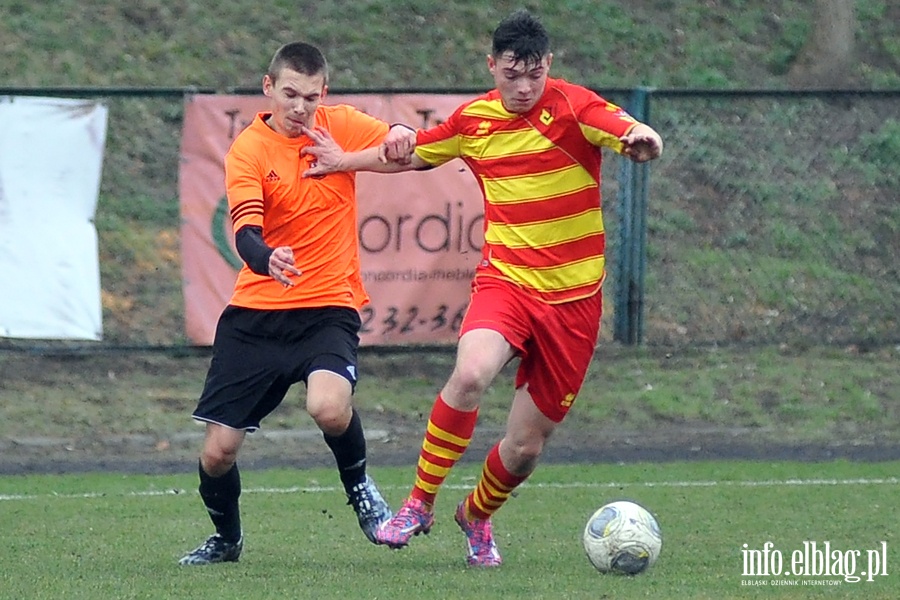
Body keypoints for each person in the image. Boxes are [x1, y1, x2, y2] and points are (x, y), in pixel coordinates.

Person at [301, 9, 663, 568]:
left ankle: (475, 514)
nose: (523, 87)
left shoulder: (573, 106)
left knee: (524, 448)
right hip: (507, 283)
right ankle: (418, 503)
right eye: (511, 74)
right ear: (491, 65)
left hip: (574, 303)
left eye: (534, 75)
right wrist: (342, 161)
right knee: (469, 372)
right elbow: (413, 153)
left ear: (549, 67)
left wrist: (643, 137)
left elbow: (626, 128)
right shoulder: (475, 121)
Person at [178, 41, 416, 565]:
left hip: (328, 305)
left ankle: (361, 490)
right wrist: (266, 258)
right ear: (269, 89)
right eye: (290, 94)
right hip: (257, 313)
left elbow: (414, 154)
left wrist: (399, 136)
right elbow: (243, 231)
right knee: (218, 453)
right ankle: (227, 540)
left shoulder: (342, 125)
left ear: (323, 93)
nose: (300, 107)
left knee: (328, 407)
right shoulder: (249, 149)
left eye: (310, 96)